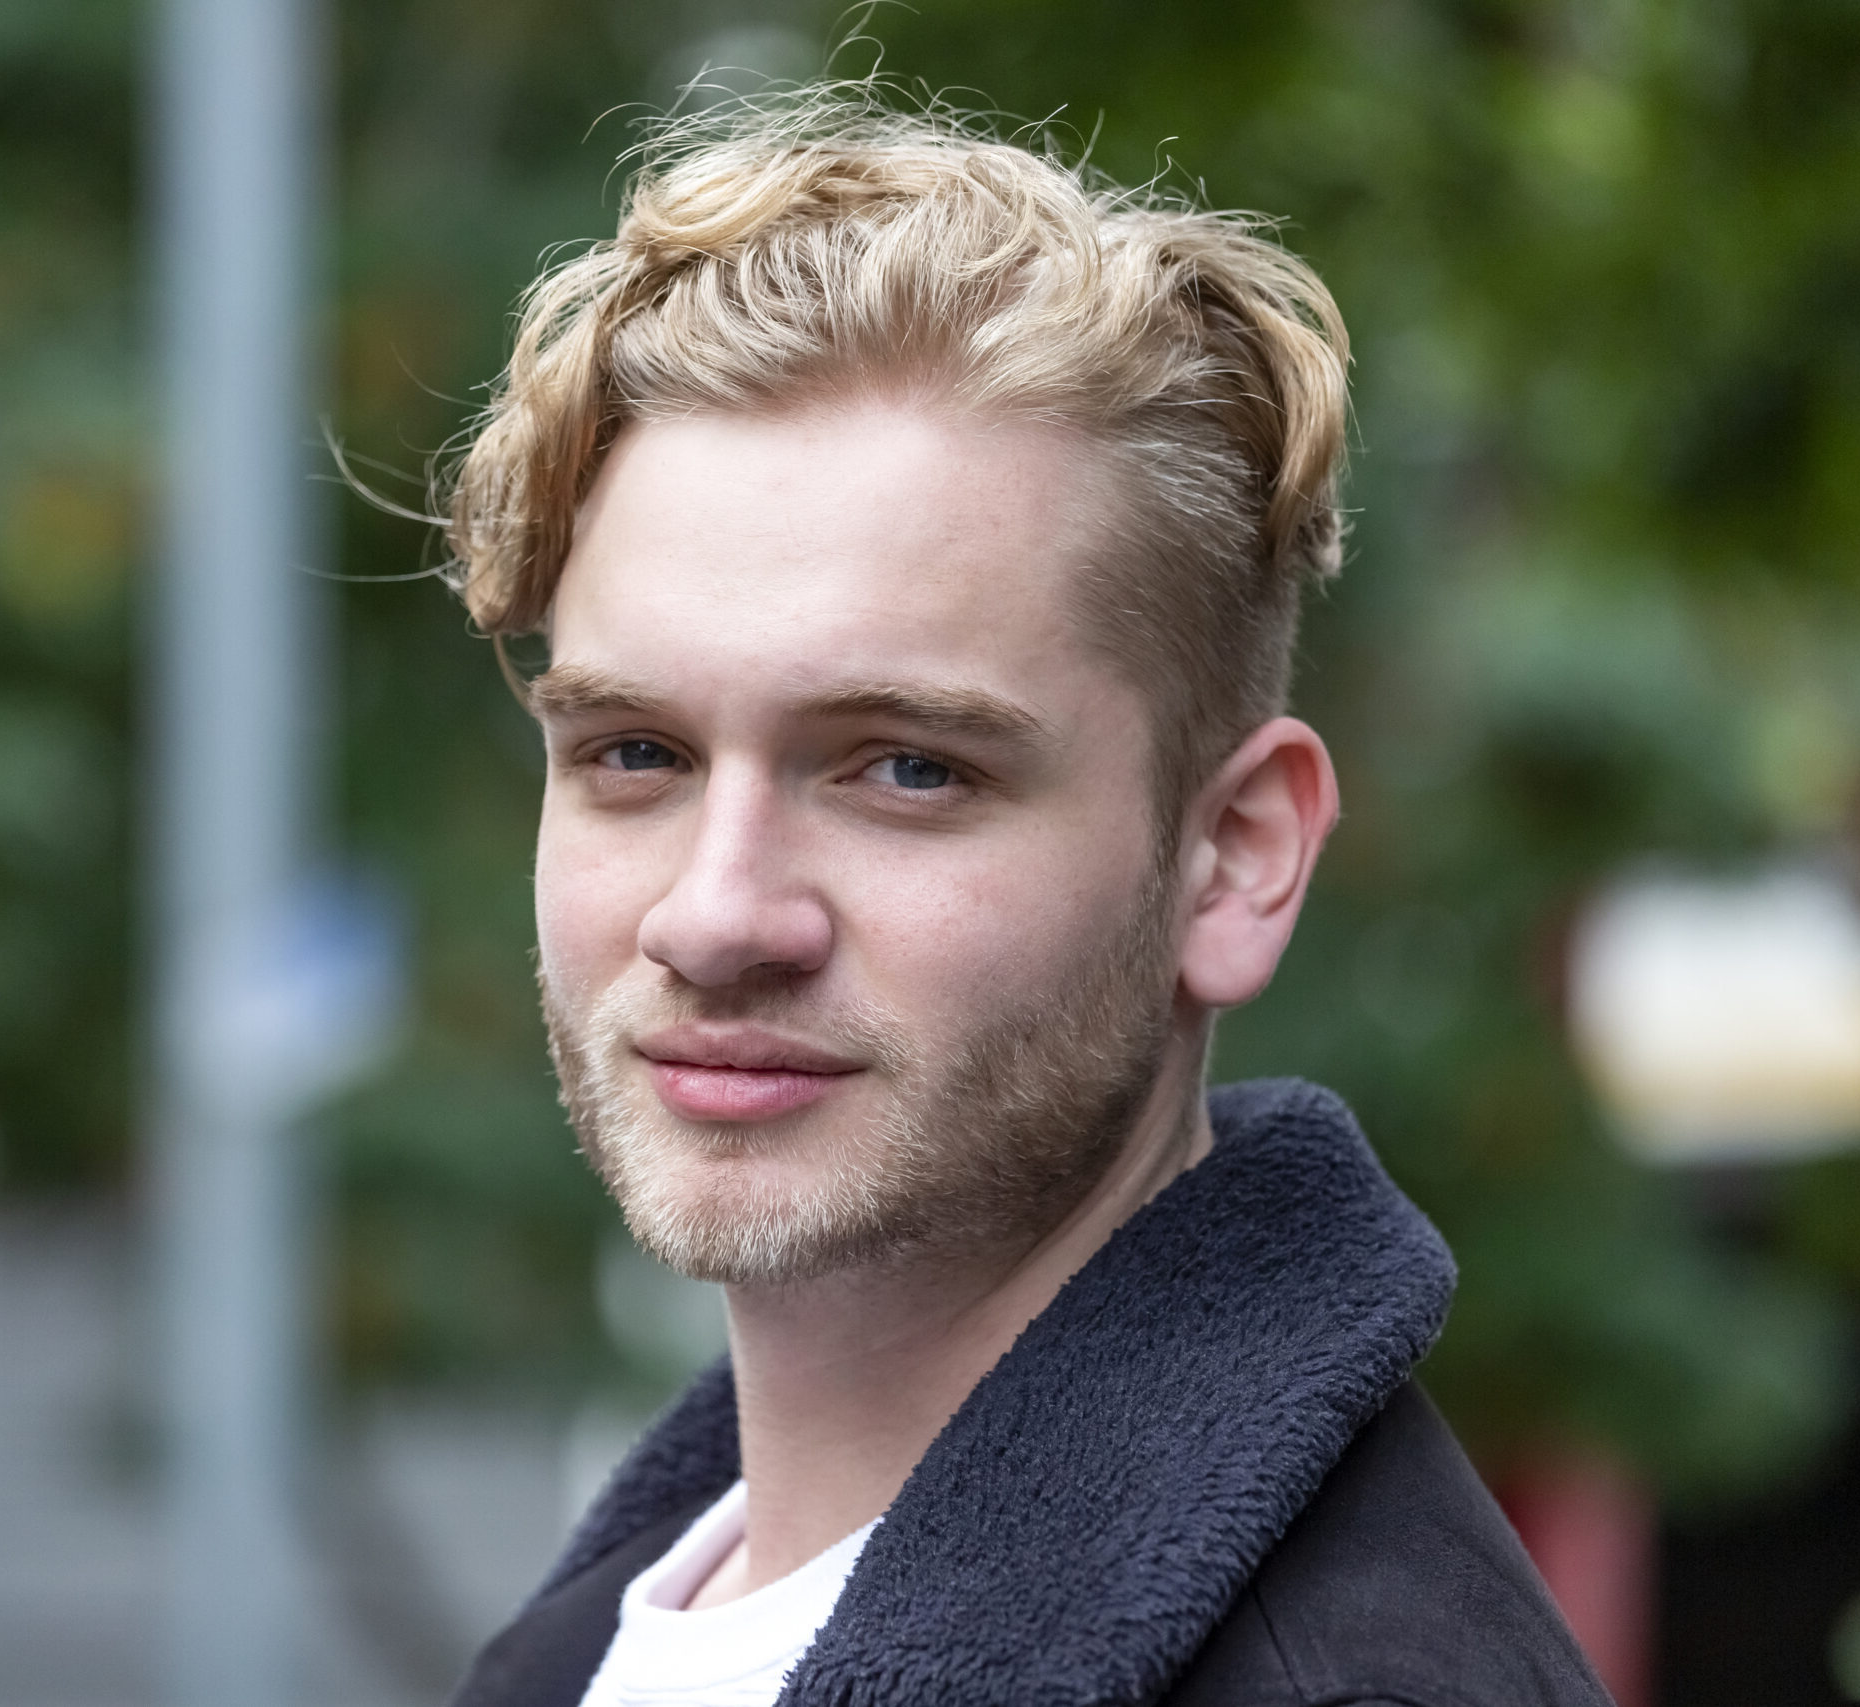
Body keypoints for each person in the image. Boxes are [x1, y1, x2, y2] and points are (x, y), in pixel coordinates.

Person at [435, 91, 1611, 1707]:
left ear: (1236, 856)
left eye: (907, 770)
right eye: (635, 751)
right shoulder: (596, 1651)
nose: (714, 917)